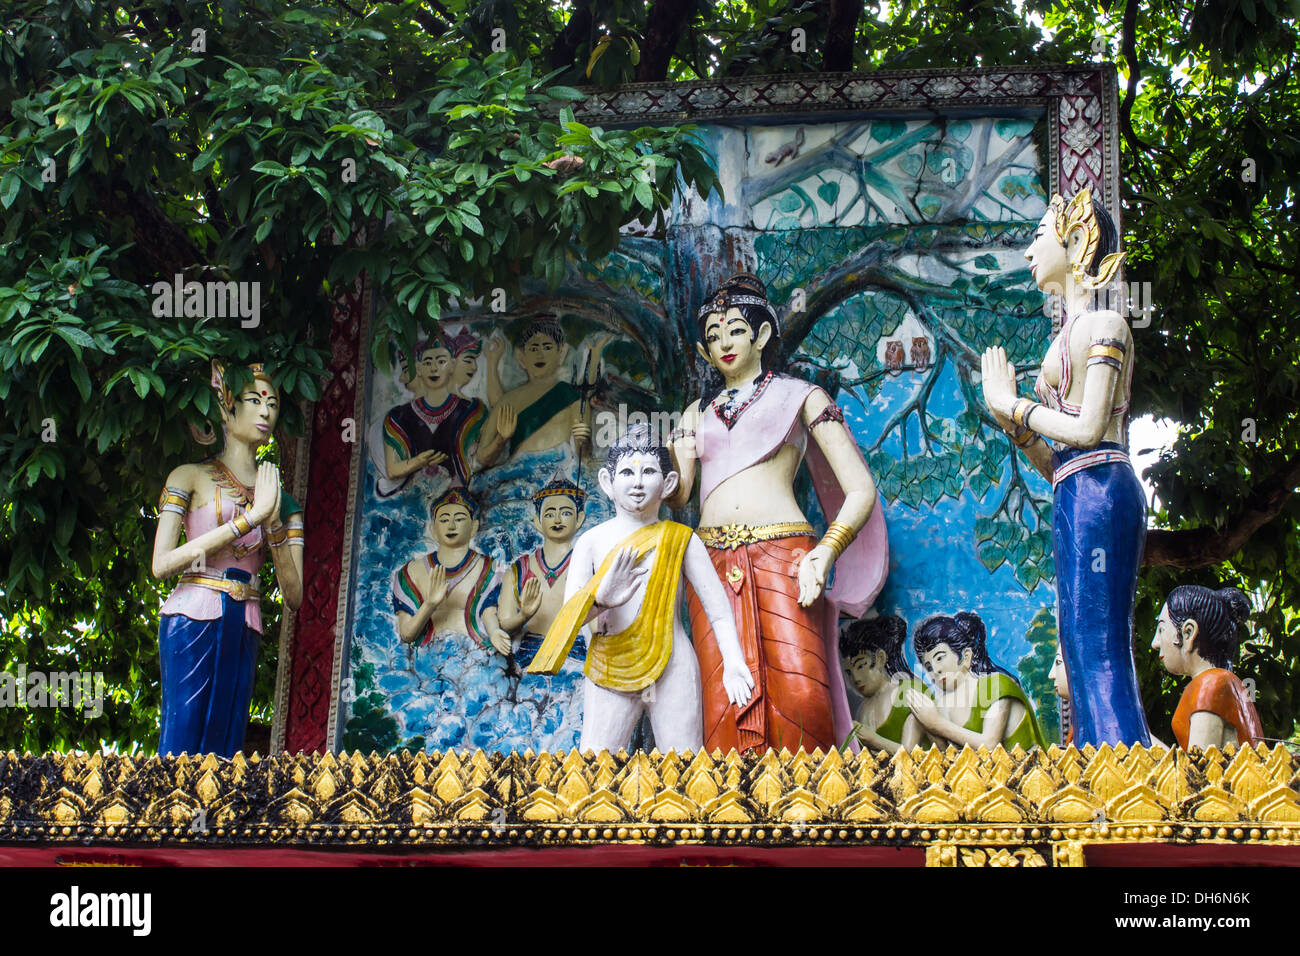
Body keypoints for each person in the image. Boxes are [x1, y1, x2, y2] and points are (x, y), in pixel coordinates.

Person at [668, 272, 888, 755]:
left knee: (802, 691)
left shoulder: (802, 396)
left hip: (786, 556)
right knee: (723, 693)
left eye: (735, 330)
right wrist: (650, 472)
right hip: (710, 565)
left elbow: (859, 490)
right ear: (704, 353)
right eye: (712, 337)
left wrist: (826, 554)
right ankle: (733, 811)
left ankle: (810, 806)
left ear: (762, 334)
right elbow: (680, 495)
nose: (724, 343)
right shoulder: (692, 415)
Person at [979, 187, 1151, 748]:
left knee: (1099, 635)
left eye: (1037, 236)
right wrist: (1014, 424)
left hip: (1104, 485)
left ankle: (1122, 755)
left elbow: (1088, 429)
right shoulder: (1065, 338)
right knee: (1075, 637)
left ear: (1076, 238)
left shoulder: (1106, 327)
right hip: (1076, 488)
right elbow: (1054, 462)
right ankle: (1091, 750)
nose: (1030, 251)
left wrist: (1017, 406)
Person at [528, 425, 754, 754]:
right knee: (596, 767)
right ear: (608, 482)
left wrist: (734, 662)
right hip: (609, 665)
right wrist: (601, 600)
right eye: (626, 473)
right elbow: (568, 620)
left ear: (669, 483)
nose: (637, 483)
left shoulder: (682, 539)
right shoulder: (591, 542)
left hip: (672, 664)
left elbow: (718, 610)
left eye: (648, 472)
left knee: (684, 766)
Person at [151, 360, 304, 757]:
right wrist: (249, 519)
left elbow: (294, 595)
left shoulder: (281, 501)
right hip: (192, 612)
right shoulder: (188, 476)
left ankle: (216, 819)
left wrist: (271, 522)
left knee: (226, 742)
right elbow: (162, 564)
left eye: (272, 403)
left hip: (247, 618)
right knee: (182, 737)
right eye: (254, 400)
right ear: (225, 407)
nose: (266, 411)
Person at [378, 335, 514, 496]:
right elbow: (392, 470)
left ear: (452, 366)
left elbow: (482, 460)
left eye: (441, 362)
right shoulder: (397, 417)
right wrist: (417, 462)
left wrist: (501, 439)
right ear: (419, 368)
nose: (434, 368)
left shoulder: (472, 411)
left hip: (460, 499)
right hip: (415, 498)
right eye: (428, 363)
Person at [901, 612, 1046, 751]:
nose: (935, 670)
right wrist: (926, 723)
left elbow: (989, 745)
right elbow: (948, 759)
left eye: (940, 658)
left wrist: (936, 724)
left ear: (965, 656)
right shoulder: (941, 705)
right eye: (928, 666)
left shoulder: (996, 685)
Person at [391, 487, 510, 655]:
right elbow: (407, 634)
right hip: (428, 661)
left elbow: (489, 612)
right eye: (444, 520)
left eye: (459, 519)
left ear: (473, 527)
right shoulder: (411, 572)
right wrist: (430, 604)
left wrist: (494, 632)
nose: (451, 525)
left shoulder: (492, 569)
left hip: (477, 659)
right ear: (433, 529)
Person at [474, 315, 608, 460]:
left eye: (547, 347)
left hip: (559, 474)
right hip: (516, 474)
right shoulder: (508, 400)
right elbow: (482, 456)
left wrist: (584, 441)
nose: (540, 354)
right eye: (533, 348)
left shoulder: (571, 397)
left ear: (561, 353)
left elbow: (584, 457)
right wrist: (501, 439)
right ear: (521, 357)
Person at [1150, 585, 1263, 751]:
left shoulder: (1211, 684)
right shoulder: (1228, 682)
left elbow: (1195, 772)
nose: (1155, 643)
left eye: (1161, 630)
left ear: (1188, 633)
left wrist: (1140, 735)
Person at [497, 477, 589, 668]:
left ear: (579, 518)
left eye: (565, 513)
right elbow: (505, 624)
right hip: (529, 657)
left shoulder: (588, 565)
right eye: (549, 514)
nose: (557, 520)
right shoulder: (519, 569)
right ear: (538, 521)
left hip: (576, 655)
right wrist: (524, 615)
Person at [841, 615, 931, 754]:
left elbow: (912, 756)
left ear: (880, 658)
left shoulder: (910, 692)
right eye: (849, 672)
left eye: (861, 666)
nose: (856, 678)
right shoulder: (863, 710)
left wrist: (874, 740)